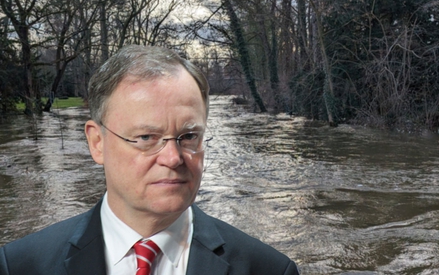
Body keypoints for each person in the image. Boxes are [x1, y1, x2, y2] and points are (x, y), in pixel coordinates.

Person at [0, 45, 299, 275]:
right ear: (97, 142)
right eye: (146, 138)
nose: (173, 158)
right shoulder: (20, 266)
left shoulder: (269, 269)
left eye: (189, 136)